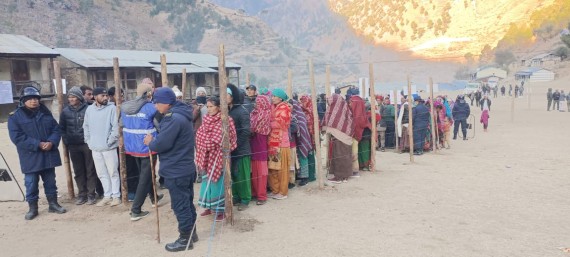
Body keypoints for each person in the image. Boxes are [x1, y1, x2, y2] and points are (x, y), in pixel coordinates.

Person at [143, 87, 198, 252]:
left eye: (157, 103)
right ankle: (191, 233)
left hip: (176, 168)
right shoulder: (182, 115)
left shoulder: (173, 119)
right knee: (187, 203)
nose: (155, 106)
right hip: (185, 166)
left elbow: (162, 144)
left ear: (166, 103)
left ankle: (185, 239)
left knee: (180, 205)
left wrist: (151, 142)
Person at [8, 86, 67, 220]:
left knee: (50, 181)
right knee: (31, 182)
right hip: (30, 156)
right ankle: (32, 208)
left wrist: (51, 142)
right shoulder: (15, 117)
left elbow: (56, 130)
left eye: (35, 98)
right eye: (29, 99)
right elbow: (17, 137)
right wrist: (37, 144)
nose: (33, 101)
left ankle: (53, 204)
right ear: (23, 100)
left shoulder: (45, 113)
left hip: (48, 154)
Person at [121, 83, 163, 221]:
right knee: (145, 177)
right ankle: (136, 209)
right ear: (149, 94)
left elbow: (121, 124)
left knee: (145, 174)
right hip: (147, 146)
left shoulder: (125, 107)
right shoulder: (151, 107)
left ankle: (154, 197)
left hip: (132, 146)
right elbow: (159, 126)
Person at [197, 97, 237, 221]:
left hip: (219, 157)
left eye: (211, 106)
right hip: (206, 156)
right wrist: (206, 143)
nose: (208, 109)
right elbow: (199, 135)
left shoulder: (226, 120)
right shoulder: (206, 119)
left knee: (219, 182)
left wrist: (209, 142)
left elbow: (228, 138)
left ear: (219, 107)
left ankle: (221, 210)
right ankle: (209, 206)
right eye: (207, 107)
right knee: (206, 182)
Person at [59, 86, 98, 205]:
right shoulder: (65, 111)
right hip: (73, 145)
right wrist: (66, 140)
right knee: (78, 171)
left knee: (90, 169)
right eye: (69, 97)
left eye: (73, 97)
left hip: (86, 144)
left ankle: (91, 194)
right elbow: (62, 128)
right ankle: (82, 194)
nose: (71, 99)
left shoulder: (89, 109)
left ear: (79, 98)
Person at [84, 87, 121, 207]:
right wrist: (89, 142)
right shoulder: (89, 110)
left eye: (106, 96)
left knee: (113, 172)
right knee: (101, 173)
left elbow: (116, 127)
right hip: (95, 148)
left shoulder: (112, 108)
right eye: (102, 96)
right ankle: (107, 195)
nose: (105, 98)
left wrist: (109, 142)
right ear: (94, 97)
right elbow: (86, 126)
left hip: (109, 148)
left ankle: (116, 196)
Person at [227, 84, 252, 210]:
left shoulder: (242, 111)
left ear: (233, 97)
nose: (224, 97)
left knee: (243, 175)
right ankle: (236, 196)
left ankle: (245, 199)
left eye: (227, 95)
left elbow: (246, 131)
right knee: (234, 174)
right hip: (232, 149)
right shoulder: (228, 110)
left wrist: (235, 145)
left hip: (241, 149)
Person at [323, 94, 354, 183]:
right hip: (346, 136)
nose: (329, 103)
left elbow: (331, 123)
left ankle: (339, 177)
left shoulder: (335, 111)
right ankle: (345, 176)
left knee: (339, 156)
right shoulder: (345, 108)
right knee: (345, 156)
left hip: (340, 137)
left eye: (330, 102)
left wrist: (324, 128)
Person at [268, 88, 291, 199]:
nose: (272, 98)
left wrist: (270, 122)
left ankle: (282, 192)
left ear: (280, 98)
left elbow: (281, 124)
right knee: (273, 167)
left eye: (274, 96)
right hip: (273, 142)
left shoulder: (285, 108)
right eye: (272, 96)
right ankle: (275, 189)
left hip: (282, 143)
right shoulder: (274, 108)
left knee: (282, 169)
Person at [249, 95, 271, 204]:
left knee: (261, 172)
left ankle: (262, 196)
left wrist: (251, 129)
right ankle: (254, 193)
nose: (257, 104)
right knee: (254, 171)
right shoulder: (254, 113)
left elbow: (254, 127)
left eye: (259, 102)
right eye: (256, 102)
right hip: (253, 144)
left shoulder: (266, 114)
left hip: (261, 144)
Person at [290, 99, 313, 186]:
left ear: (294, 106)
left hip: (302, 140)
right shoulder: (293, 115)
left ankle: (305, 178)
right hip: (296, 140)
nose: (289, 107)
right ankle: (300, 176)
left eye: (290, 106)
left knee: (303, 158)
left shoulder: (299, 115)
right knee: (298, 159)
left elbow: (302, 128)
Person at [349, 95, 371, 173]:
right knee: (358, 150)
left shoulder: (361, 113)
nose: (350, 104)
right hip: (357, 134)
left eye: (351, 102)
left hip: (364, 133)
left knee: (364, 149)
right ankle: (360, 165)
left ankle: (366, 165)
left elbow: (360, 123)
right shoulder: (351, 112)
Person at [299, 96, 317, 183]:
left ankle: (312, 175)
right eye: (302, 101)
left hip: (311, 138)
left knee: (310, 156)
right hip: (304, 138)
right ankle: (308, 175)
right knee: (306, 156)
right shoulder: (301, 111)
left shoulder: (312, 111)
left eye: (304, 101)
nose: (303, 103)